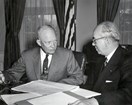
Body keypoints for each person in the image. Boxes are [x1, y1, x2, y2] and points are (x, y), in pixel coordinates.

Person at [69, 21, 132, 105]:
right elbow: (90, 86)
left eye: (95, 40)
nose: (93, 44)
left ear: (106, 41)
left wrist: (95, 101)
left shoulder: (128, 60)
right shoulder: (99, 60)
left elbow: (127, 93)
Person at [0, 24, 83, 86]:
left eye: (55, 41)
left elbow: (78, 78)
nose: (53, 45)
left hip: (57, 95)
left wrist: (56, 85)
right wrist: (4, 76)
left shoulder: (66, 55)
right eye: (48, 42)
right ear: (39, 42)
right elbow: (13, 73)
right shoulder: (27, 56)